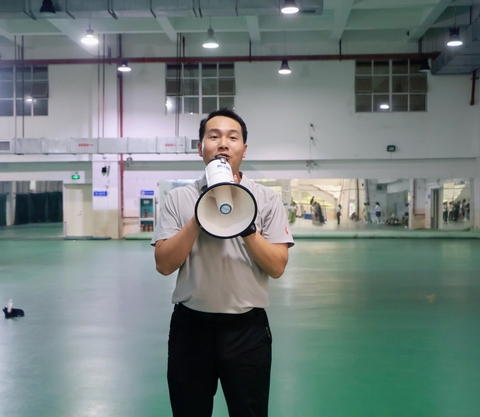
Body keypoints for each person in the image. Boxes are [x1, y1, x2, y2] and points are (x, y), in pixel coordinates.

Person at [152, 108, 294, 417]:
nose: (223, 144)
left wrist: (246, 226)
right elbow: (164, 264)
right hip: (191, 328)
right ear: (200, 147)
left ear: (244, 148)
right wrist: (200, 215)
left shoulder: (266, 199)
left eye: (233, 137)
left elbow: (277, 266)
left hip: (246, 330)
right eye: (213, 136)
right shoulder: (179, 199)